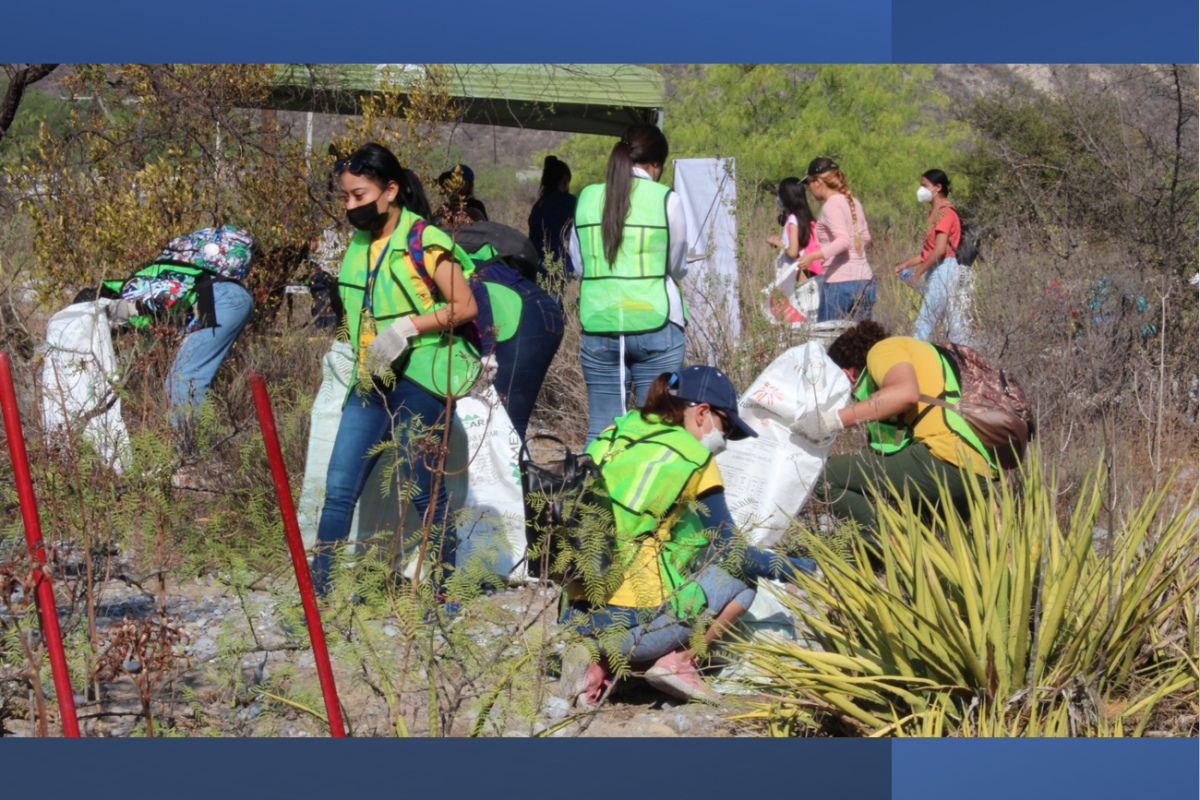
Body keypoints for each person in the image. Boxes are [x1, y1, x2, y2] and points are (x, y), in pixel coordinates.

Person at [558, 366, 818, 707]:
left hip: (575, 614)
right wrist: (805, 568)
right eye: (725, 428)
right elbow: (734, 556)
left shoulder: (616, 430)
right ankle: (678, 663)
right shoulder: (694, 458)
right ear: (702, 413)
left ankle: (596, 658)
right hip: (635, 633)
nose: (723, 441)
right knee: (742, 579)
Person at [312, 143, 480, 609]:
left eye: (359, 195)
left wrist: (408, 326)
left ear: (391, 190)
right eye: (345, 197)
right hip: (373, 376)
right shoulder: (359, 246)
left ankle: (441, 592)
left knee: (422, 489)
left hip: (423, 376)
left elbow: (464, 307)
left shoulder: (425, 240)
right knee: (340, 487)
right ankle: (316, 598)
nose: (351, 206)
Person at [790, 320, 998, 550]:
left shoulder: (883, 350)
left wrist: (831, 420)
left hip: (945, 460)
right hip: (977, 471)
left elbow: (905, 393)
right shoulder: (918, 354)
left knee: (821, 476)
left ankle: (883, 551)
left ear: (847, 373)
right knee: (930, 548)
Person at [567, 123, 690, 445]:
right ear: (656, 165)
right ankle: (651, 495)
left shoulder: (587, 198)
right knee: (658, 428)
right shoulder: (667, 199)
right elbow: (677, 268)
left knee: (603, 429)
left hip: (600, 323)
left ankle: (597, 495)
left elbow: (579, 266)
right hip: (657, 323)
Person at [104, 226, 256, 465]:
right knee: (191, 376)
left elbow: (150, 306)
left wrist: (117, 318)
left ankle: (189, 457)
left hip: (219, 299)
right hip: (226, 297)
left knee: (185, 378)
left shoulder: (139, 286)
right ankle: (203, 450)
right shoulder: (169, 273)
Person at [893, 169, 973, 345]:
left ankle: (914, 360)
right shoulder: (937, 213)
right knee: (954, 326)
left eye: (924, 186)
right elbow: (928, 253)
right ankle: (966, 362)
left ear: (938, 188)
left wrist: (917, 273)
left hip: (943, 269)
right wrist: (906, 264)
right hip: (937, 268)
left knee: (924, 322)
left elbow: (940, 250)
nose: (921, 190)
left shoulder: (944, 213)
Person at [796, 157, 875, 322]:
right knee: (861, 342)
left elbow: (842, 241)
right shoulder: (854, 202)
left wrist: (812, 256)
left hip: (840, 284)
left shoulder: (830, 205)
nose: (810, 189)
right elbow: (865, 237)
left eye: (809, 183)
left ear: (818, 182)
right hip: (865, 281)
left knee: (829, 340)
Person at [527, 155, 577, 278]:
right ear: (565, 180)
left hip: (536, 267)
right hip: (560, 266)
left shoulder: (538, 205)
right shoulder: (569, 202)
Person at [768, 177, 822, 279]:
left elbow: (793, 252)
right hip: (806, 273)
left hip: (794, 273)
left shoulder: (793, 219)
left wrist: (777, 243)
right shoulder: (808, 218)